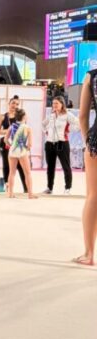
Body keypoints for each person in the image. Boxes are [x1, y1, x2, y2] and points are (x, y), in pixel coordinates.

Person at [74, 68, 97, 265]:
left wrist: (87, 142)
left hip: (96, 141)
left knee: (93, 196)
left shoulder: (92, 76)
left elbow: (82, 116)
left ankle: (89, 254)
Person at [42, 96, 79, 194]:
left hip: (62, 143)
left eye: (56, 103)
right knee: (50, 167)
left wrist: (68, 129)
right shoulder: (51, 115)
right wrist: (46, 131)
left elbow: (78, 124)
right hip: (49, 144)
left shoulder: (67, 115)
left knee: (66, 166)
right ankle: (49, 188)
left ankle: (67, 188)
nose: (54, 105)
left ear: (62, 104)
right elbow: (43, 124)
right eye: (53, 103)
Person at [0, 96, 27, 193]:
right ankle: (7, 186)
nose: (15, 105)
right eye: (13, 103)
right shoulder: (2, 116)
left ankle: (26, 188)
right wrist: (10, 130)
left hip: (17, 143)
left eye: (17, 104)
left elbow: (24, 129)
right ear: (9, 103)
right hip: (5, 143)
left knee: (21, 166)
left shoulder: (21, 116)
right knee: (6, 165)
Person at [6, 109, 36, 199]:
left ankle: (10, 194)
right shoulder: (27, 128)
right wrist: (26, 149)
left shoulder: (11, 126)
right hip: (22, 150)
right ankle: (30, 194)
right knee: (27, 173)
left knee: (12, 173)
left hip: (12, 150)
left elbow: (5, 140)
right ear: (24, 117)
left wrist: (11, 145)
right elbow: (30, 144)